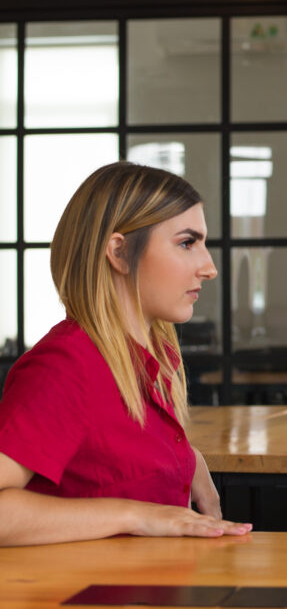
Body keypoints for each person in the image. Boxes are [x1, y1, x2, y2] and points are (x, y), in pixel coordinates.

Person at [0, 162, 252, 546]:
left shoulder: (152, 356)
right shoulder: (65, 366)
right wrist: (133, 513)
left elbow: (105, 452)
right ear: (119, 253)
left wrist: (185, 458)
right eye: (187, 243)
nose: (209, 267)